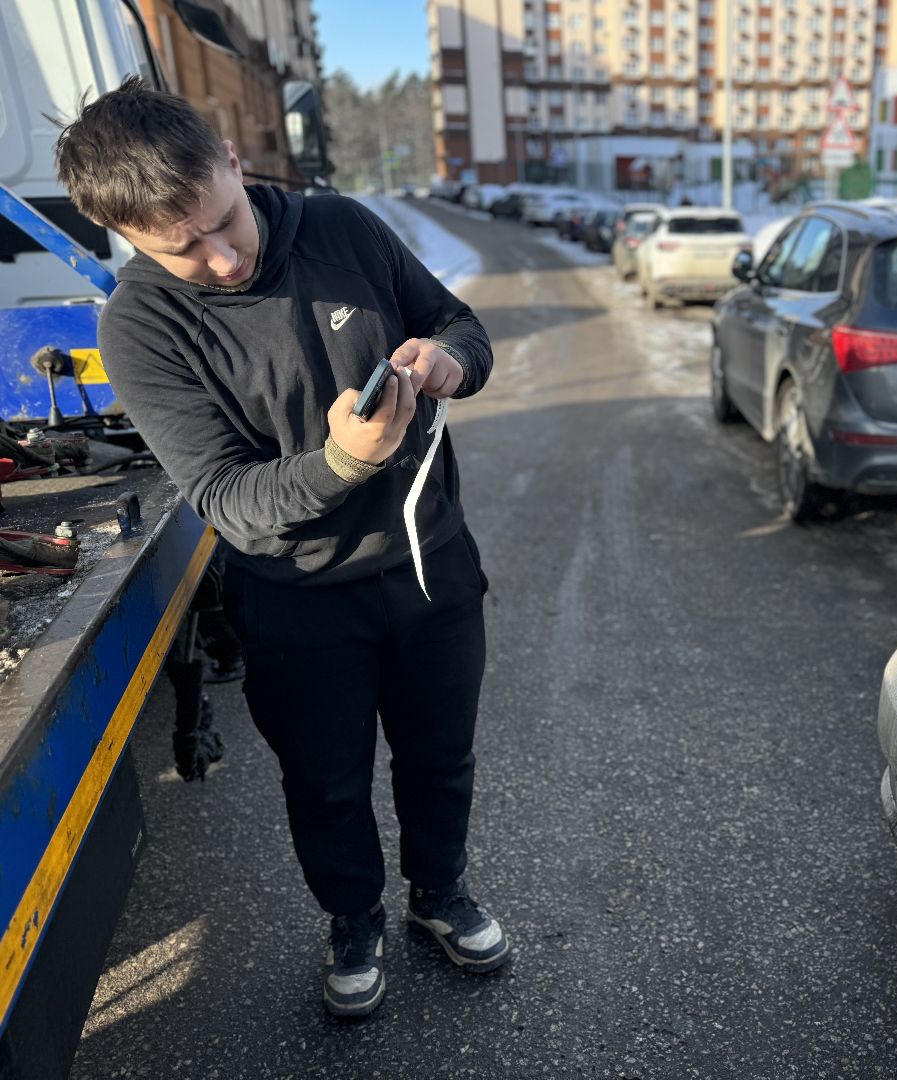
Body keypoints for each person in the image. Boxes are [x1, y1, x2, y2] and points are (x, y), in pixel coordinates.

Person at [54, 77, 508, 1019]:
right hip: (296, 600)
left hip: (432, 569)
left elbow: (460, 325)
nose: (222, 260)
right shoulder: (139, 325)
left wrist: (451, 362)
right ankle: (353, 919)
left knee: (440, 759)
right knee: (327, 782)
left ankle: (439, 896)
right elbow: (227, 501)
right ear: (131, 240)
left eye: (225, 221)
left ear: (232, 159)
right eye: (182, 248)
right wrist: (344, 462)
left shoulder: (343, 226)